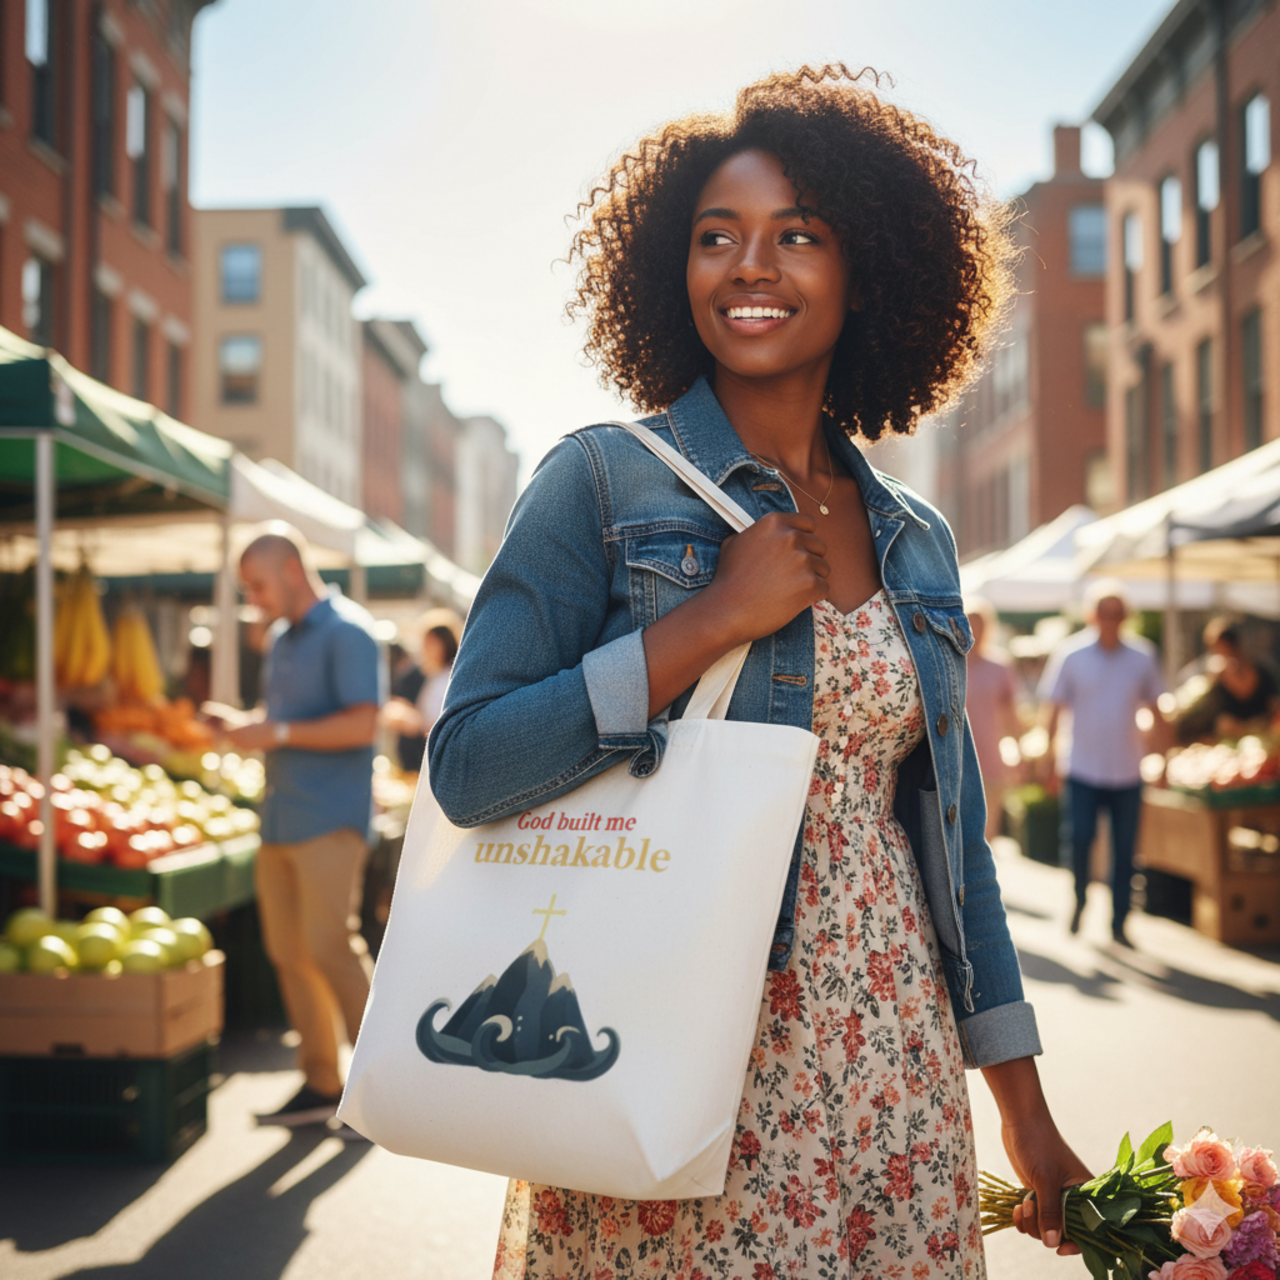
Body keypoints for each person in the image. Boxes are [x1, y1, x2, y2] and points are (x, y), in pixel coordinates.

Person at [429, 66, 1087, 1279]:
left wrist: (1022, 1107)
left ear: (865, 268)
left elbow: (953, 845)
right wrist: (709, 620)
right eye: (714, 236)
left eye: (797, 234)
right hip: (675, 1041)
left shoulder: (916, 538)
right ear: (670, 268)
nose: (749, 266)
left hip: (892, 1051)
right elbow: (468, 765)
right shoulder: (596, 480)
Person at [204, 526, 383, 1129]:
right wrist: (245, 725)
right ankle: (322, 1083)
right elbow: (287, 720)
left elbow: (362, 725)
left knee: (330, 947)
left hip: (329, 819)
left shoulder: (349, 631)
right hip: (279, 818)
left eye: (256, 586)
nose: (252, 599)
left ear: (290, 570)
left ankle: (381, 1093)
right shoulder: (281, 638)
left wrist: (274, 732)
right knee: (288, 953)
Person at [1038, 582, 1166, 947]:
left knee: (1125, 850)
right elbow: (1053, 710)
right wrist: (1047, 760)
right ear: (1092, 615)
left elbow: (1158, 711)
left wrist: (1164, 760)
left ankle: (1120, 921)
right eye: (1104, 613)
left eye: (1117, 613)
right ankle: (1080, 899)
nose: (1111, 620)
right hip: (1082, 768)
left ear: (1126, 617)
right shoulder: (1071, 654)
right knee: (1079, 838)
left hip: (1127, 769)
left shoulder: (1142, 656)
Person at [965, 598, 1023, 841]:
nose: (974, 630)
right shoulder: (951, 665)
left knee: (987, 834)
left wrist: (1018, 753)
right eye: (970, 623)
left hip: (990, 760)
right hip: (957, 760)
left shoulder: (1000, 667)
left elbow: (1011, 714)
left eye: (979, 624)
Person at [380, 608, 463, 769]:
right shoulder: (433, 677)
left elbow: (445, 726)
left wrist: (412, 720)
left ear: (444, 643)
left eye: (429, 642)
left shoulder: (448, 680)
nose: (424, 649)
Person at [1175, 616, 1279, 743]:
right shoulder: (1213, 679)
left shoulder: (1261, 671)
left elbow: (1272, 705)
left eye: (1217, 647)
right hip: (1227, 740)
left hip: (1261, 737)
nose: (1215, 652)